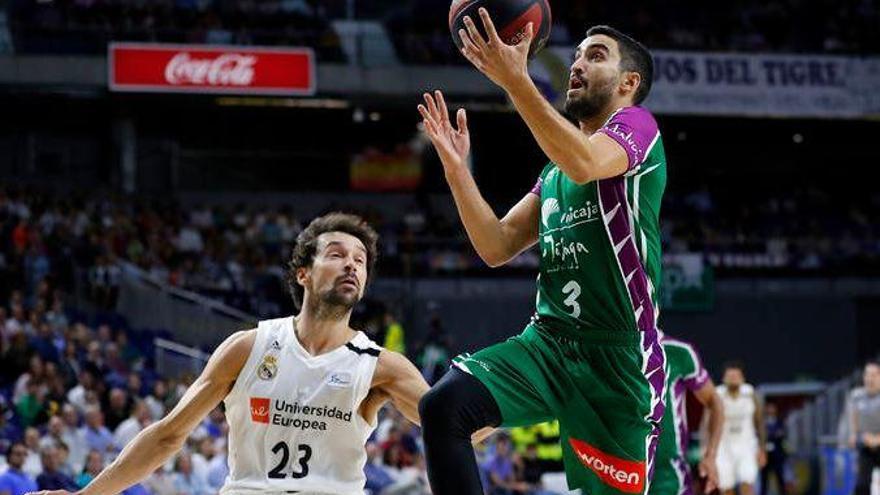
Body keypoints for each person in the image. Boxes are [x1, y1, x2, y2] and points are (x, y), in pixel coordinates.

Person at [417, 13, 667, 495]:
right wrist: (456, 169)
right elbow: (496, 245)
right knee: (443, 406)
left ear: (628, 82)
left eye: (596, 56)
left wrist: (516, 81)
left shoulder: (638, 127)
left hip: (617, 362)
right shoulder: (553, 175)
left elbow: (587, 162)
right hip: (549, 343)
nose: (577, 64)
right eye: (575, 56)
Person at [26, 213, 431, 495]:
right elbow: (169, 434)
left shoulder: (380, 365)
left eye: (360, 261)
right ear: (303, 274)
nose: (351, 266)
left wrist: (496, 395)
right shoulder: (248, 347)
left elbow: (459, 425)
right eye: (338, 254)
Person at [649, 334, 724, 495]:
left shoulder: (676, 351)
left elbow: (714, 400)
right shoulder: (605, 349)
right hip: (617, 467)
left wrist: (711, 455)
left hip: (668, 475)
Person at [716, 362, 767, 495]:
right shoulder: (717, 394)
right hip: (723, 446)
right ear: (724, 379)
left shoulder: (750, 393)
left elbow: (760, 422)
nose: (733, 378)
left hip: (747, 445)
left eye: (736, 375)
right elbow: (706, 423)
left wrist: (762, 448)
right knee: (726, 487)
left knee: (747, 483)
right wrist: (707, 450)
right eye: (730, 376)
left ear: (742, 378)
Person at [849, 360, 880, 495]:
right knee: (861, 486)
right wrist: (855, 435)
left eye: (874, 375)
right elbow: (854, 419)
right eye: (867, 375)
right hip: (866, 446)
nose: (870, 379)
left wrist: (877, 439)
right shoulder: (857, 396)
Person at [760, 403, 787, 495]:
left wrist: (771, 435)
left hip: (777, 456)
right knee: (764, 480)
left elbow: (781, 434)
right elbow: (760, 436)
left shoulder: (780, 422)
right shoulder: (762, 423)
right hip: (766, 456)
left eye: (772, 408)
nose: (770, 410)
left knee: (780, 478)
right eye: (768, 408)